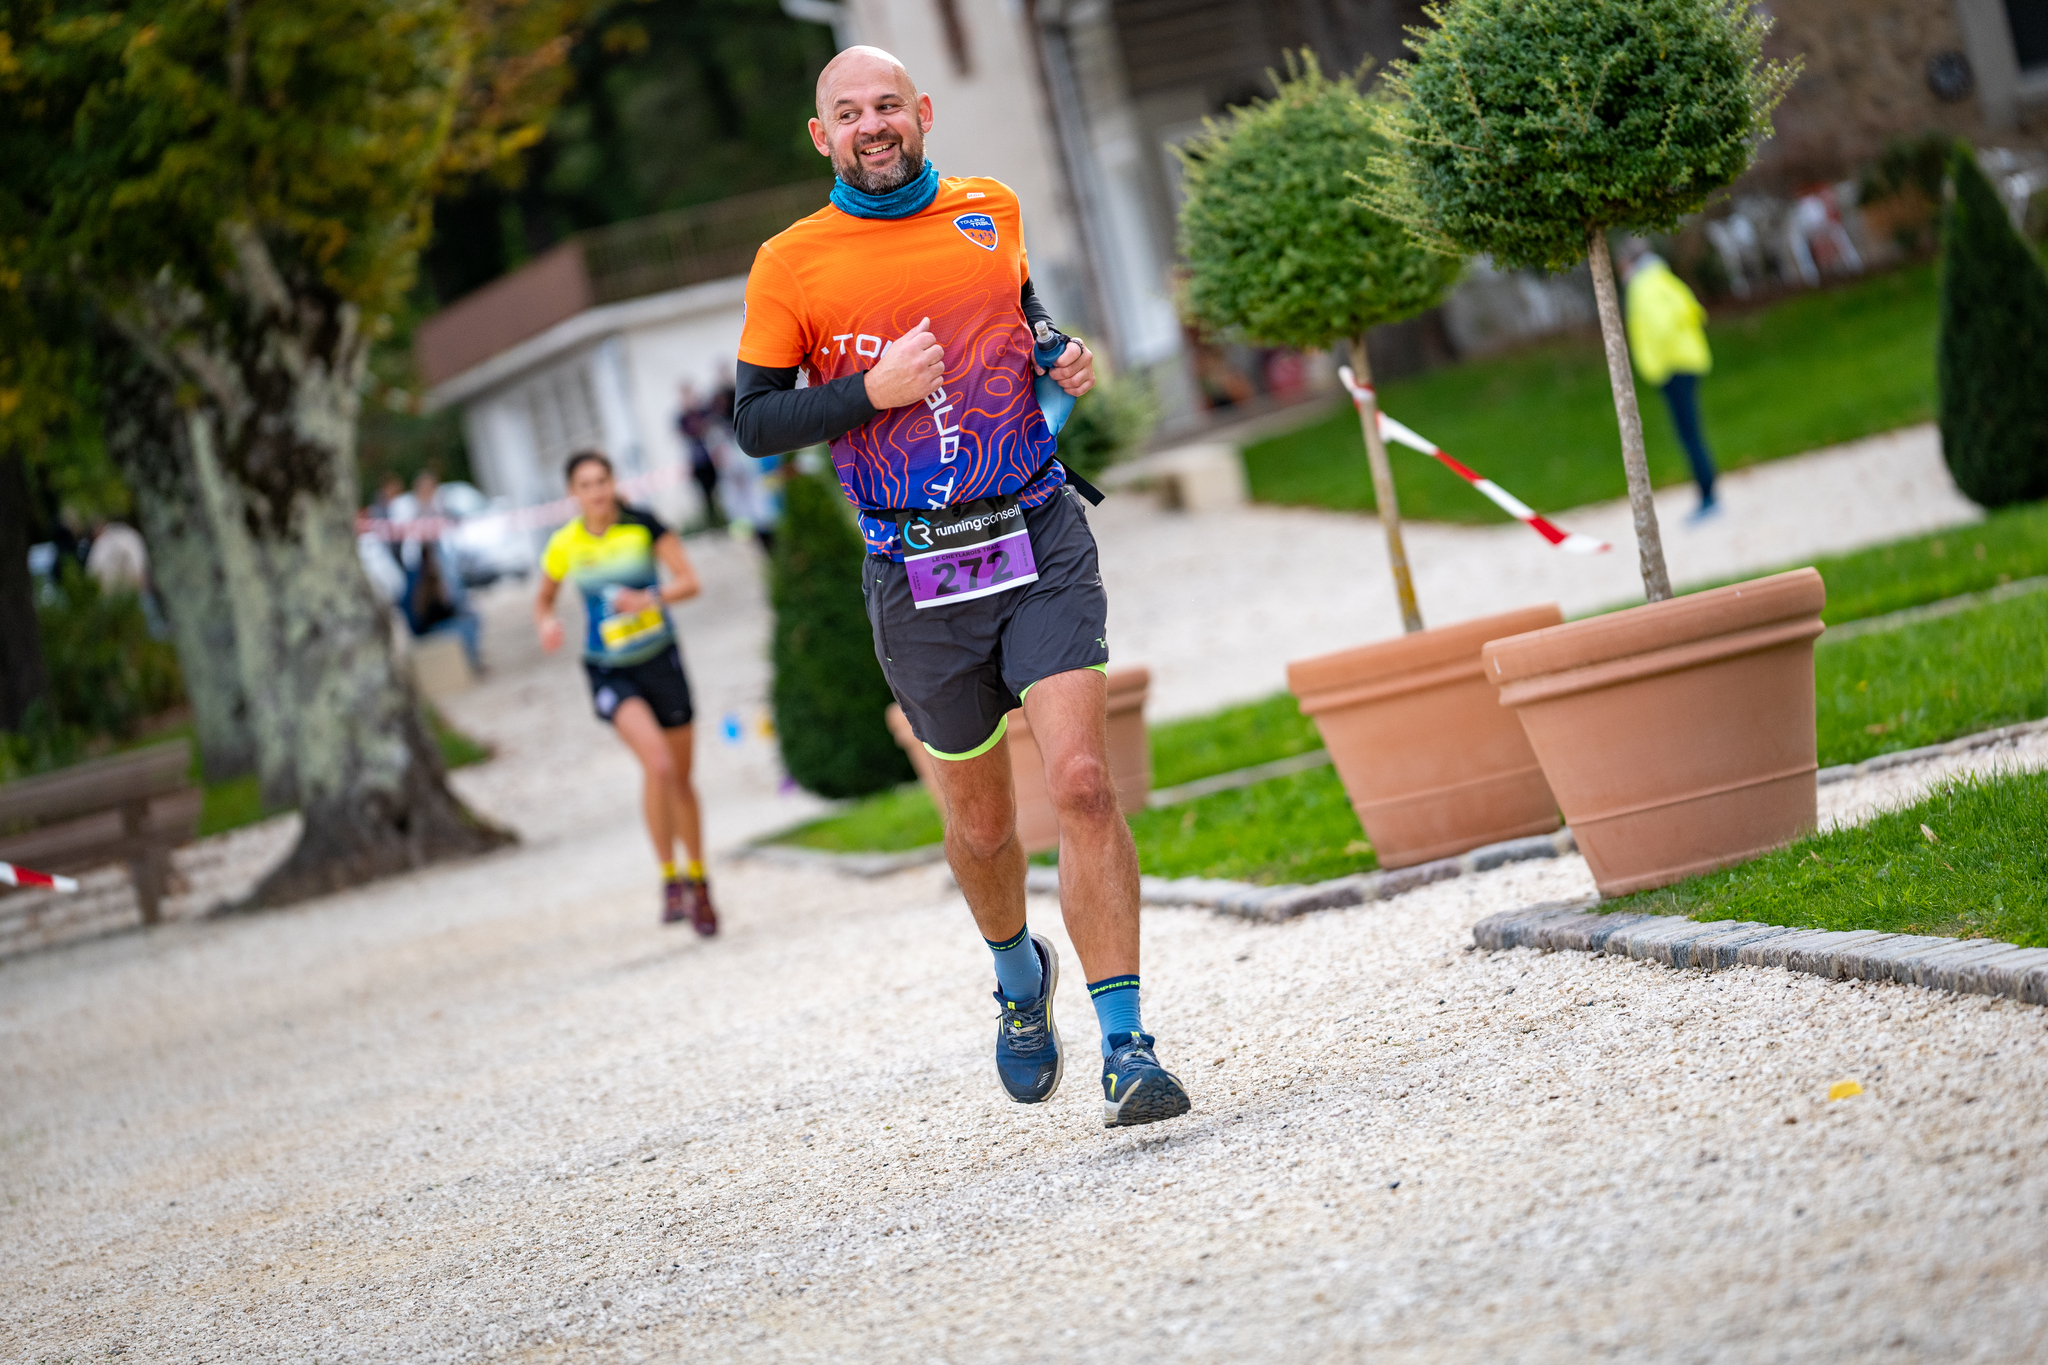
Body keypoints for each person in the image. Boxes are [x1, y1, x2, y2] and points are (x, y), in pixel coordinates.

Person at [731, 46, 1189, 1129]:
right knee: (982, 831)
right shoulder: (790, 263)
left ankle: (1127, 1046)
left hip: (1036, 530)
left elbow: (1023, 319)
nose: (872, 125)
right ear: (822, 137)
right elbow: (753, 423)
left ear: (923, 112)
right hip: (915, 570)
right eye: (849, 113)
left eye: (888, 105)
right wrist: (869, 390)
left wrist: (1061, 355)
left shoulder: (992, 209)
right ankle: (1019, 978)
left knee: (1082, 782)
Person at [534, 450, 717, 934]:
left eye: (602, 481)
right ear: (573, 493)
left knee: (680, 779)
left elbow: (689, 582)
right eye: (585, 484)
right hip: (610, 670)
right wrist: (547, 623)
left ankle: (699, 881)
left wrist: (648, 598)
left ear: (613, 483)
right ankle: (669, 878)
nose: (596, 491)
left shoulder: (643, 526)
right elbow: (543, 599)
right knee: (657, 763)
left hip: (660, 661)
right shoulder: (565, 543)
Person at [1622, 244, 1720, 523]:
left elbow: (1660, 326)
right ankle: (1708, 492)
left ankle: (1708, 496)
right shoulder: (1663, 277)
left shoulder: (1642, 287)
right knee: (1692, 430)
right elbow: (1693, 310)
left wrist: (1658, 365)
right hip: (1690, 361)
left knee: (1688, 433)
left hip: (1673, 367)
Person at [397, 468, 482, 674]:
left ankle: (469, 662)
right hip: (434, 599)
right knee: (465, 620)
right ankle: (467, 663)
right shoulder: (415, 523)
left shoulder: (438, 513)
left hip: (442, 585)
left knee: (468, 617)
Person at [677, 384, 725, 529]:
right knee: (706, 495)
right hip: (698, 462)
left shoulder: (703, 412)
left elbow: (712, 430)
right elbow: (683, 440)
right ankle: (713, 523)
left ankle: (723, 520)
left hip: (711, 458)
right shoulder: (682, 418)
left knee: (721, 490)